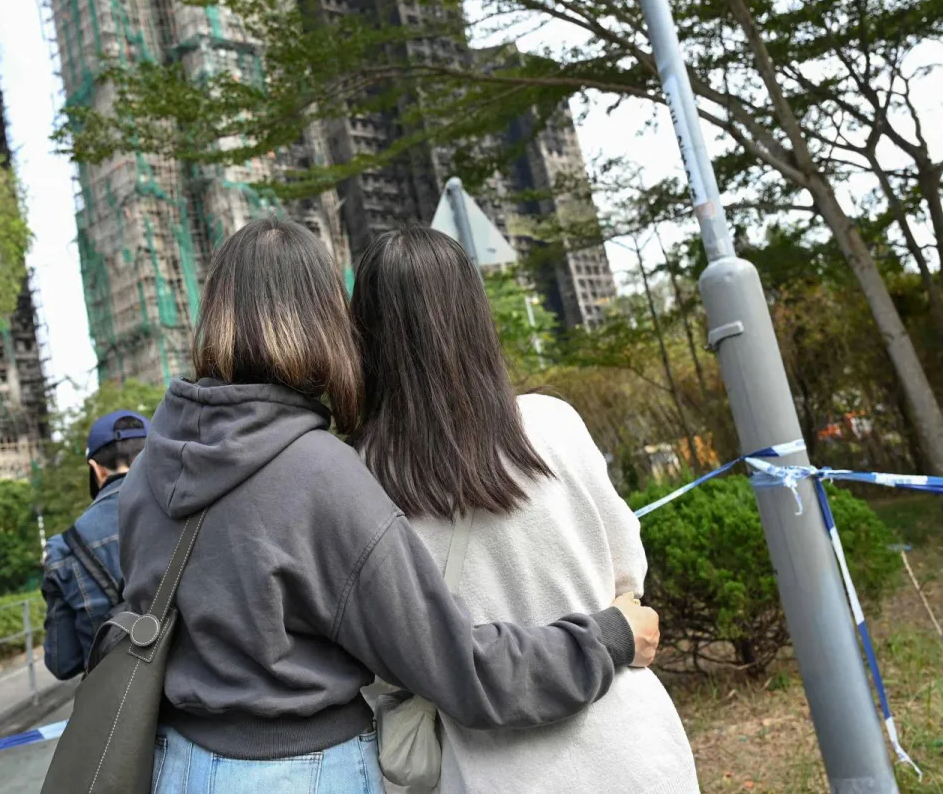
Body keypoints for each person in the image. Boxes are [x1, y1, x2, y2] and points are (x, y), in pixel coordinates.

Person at [118, 217, 660, 794]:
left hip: (174, 766)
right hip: (303, 771)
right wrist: (606, 638)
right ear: (325, 319)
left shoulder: (151, 469)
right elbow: (457, 667)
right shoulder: (324, 474)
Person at [351, 226, 699, 794]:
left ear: (363, 335)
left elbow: (380, 658)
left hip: (486, 770)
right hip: (627, 750)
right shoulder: (552, 424)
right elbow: (626, 578)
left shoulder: (360, 475)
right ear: (473, 314)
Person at [41, 409, 148, 680]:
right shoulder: (191, 511)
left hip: (119, 710)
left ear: (95, 469)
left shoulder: (65, 548)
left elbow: (62, 662)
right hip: (203, 701)